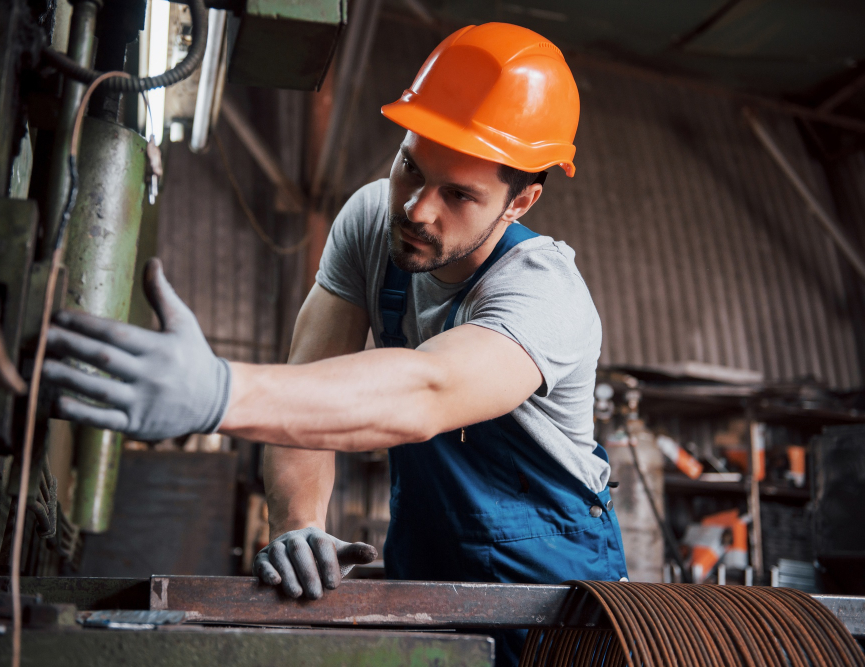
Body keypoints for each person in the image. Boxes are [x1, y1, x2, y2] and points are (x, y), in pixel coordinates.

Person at [44, 23, 627, 666]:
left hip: (555, 603)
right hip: (427, 581)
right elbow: (310, 388)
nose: (416, 208)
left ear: (521, 200)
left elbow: (425, 391)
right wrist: (299, 526)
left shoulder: (546, 294)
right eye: (411, 164)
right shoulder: (372, 221)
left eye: (458, 194)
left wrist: (218, 393)